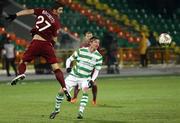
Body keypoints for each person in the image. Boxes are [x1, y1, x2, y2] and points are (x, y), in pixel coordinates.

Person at [5, 2, 71, 101]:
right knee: (56, 68)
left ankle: (21, 74)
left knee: (24, 62)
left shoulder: (42, 11)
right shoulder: (56, 22)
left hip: (36, 42)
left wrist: (15, 15)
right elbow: (55, 39)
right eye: (60, 10)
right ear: (54, 10)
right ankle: (64, 87)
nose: (61, 12)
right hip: (47, 45)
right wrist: (51, 47)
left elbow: (28, 11)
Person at [49, 36, 103, 119]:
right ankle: (56, 109)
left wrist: (92, 79)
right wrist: (68, 67)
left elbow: (96, 70)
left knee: (85, 91)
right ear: (90, 43)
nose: (97, 44)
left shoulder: (99, 57)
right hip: (73, 76)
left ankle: (80, 112)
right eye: (95, 42)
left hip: (85, 78)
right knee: (61, 91)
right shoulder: (81, 51)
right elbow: (69, 59)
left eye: (98, 43)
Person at [71, 31, 98, 105]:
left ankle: (94, 99)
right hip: (82, 68)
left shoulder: (95, 45)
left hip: (91, 68)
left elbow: (98, 56)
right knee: (77, 83)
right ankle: (74, 97)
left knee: (94, 84)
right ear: (85, 37)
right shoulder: (82, 46)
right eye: (88, 36)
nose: (89, 37)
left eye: (90, 36)